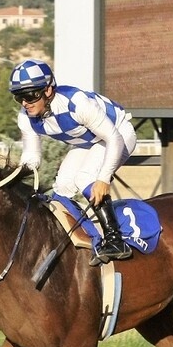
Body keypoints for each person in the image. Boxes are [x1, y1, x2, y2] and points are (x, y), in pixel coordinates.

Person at [10, 58, 137, 266]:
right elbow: (32, 158)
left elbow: (113, 138)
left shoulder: (76, 103)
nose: (25, 103)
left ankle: (115, 240)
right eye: (19, 97)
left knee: (85, 178)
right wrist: (13, 182)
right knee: (63, 186)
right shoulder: (26, 118)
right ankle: (85, 236)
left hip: (118, 134)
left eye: (30, 95)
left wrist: (104, 179)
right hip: (88, 142)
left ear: (48, 90)